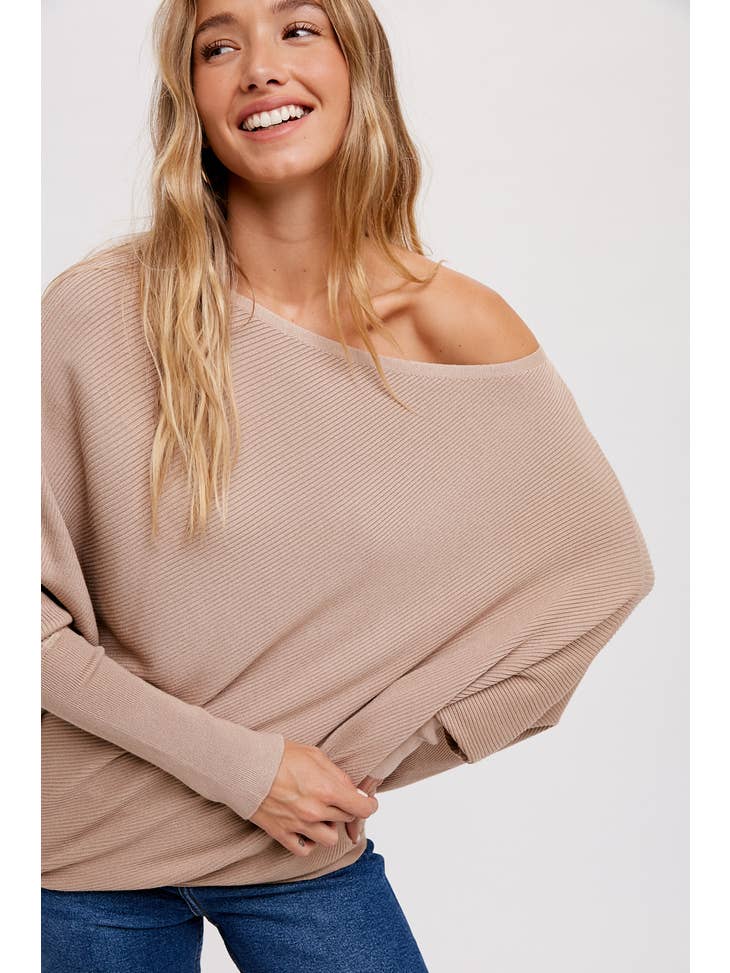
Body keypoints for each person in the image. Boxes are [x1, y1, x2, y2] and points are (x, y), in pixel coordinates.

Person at [41, 1, 655, 970]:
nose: (259, 67)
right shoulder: (96, 312)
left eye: (298, 29)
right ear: (189, 95)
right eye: (218, 45)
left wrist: (365, 758)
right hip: (73, 857)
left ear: (356, 63)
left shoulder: (453, 325)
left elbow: (602, 572)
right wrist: (246, 769)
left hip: (298, 848)